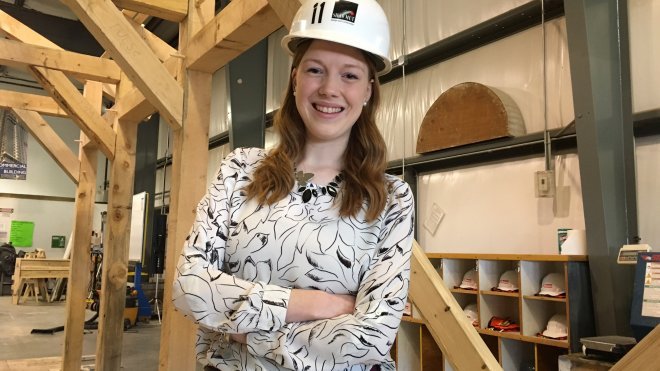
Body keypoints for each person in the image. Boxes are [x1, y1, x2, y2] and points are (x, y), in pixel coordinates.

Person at [172, 1, 414, 370]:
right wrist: (312, 304)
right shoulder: (239, 170)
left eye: (349, 75)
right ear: (295, 78)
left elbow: (372, 336)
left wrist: (243, 332)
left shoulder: (391, 199)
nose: (330, 88)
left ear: (368, 90)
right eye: (316, 70)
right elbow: (189, 288)